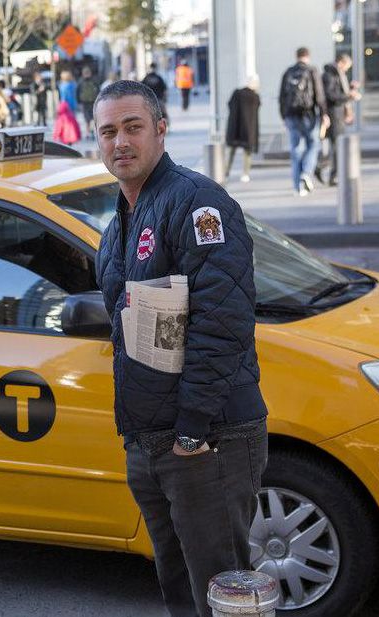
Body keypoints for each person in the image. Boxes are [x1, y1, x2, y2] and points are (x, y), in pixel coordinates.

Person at [93, 80, 268, 617]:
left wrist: (192, 431)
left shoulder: (198, 202)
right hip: (151, 439)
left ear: (161, 130)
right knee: (178, 587)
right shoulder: (118, 224)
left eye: (133, 127)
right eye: (108, 132)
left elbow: (223, 323)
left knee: (221, 594)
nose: (120, 142)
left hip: (206, 438)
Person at [279, 47, 329, 196]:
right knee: (313, 145)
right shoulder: (312, 70)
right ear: (308, 56)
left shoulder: (288, 72)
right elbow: (319, 94)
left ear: (297, 56)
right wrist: (324, 113)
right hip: (309, 114)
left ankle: (298, 187)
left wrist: (284, 116)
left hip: (291, 115)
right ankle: (306, 173)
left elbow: (282, 97)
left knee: (295, 150)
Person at [318, 53, 361, 186]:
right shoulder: (330, 75)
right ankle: (331, 173)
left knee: (335, 145)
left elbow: (339, 92)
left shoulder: (338, 75)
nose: (347, 69)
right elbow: (330, 95)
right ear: (341, 62)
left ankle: (323, 169)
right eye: (347, 66)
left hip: (338, 113)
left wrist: (351, 89)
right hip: (333, 114)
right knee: (336, 145)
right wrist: (349, 96)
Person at [225, 75, 262, 183]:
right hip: (248, 129)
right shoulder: (255, 97)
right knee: (247, 153)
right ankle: (245, 174)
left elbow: (229, 105)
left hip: (235, 127)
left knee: (231, 152)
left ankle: (225, 172)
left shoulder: (237, 93)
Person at [77, 66, 99, 140]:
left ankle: (89, 132)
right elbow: (98, 90)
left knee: (89, 118)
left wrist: (78, 102)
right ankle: (89, 132)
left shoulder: (81, 81)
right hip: (88, 102)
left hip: (88, 102)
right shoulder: (93, 80)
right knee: (89, 118)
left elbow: (77, 92)